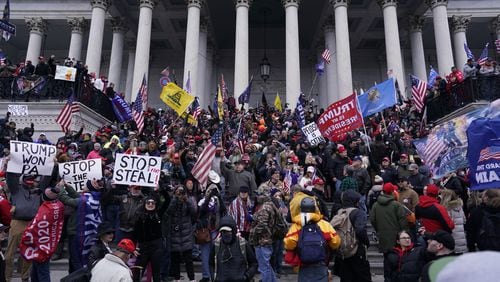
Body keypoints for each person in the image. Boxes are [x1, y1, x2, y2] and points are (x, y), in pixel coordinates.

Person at [4, 172, 50, 282]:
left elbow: (47, 177)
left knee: (28, 253)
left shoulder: (38, 190)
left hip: (32, 223)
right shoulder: (16, 189)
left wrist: (51, 164)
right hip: (17, 222)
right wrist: (11, 163)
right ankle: (6, 278)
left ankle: (24, 277)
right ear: (22, 179)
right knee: (9, 254)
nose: (31, 180)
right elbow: (10, 178)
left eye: (32, 179)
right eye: (28, 178)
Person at [283, 197, 341, 282]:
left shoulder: (296, 226)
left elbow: (289, 243)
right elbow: (336, 242)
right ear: (315, 208)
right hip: (321, 262)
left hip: (303, 263)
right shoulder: (324, 224)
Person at [333, 190, 372, 282]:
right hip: (356, 249)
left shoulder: (340, 212)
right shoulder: (358, 212)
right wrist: (367, 242)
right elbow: (360, 230)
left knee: (346, 277)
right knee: (363, 277)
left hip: (342, 251)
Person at [209, 216, 258, 282]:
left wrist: (246, 277)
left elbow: (254, 264)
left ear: (233, 231)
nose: (225, 234)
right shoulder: (216, 245)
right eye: (223, 232)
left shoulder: (243, 244)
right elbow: (211, 264)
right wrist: (214, 278)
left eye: (228, 232)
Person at [165, 186, 196, 282]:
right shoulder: (172, 200)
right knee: (175, 259)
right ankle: (177, 278)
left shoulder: (188, 200)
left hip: (186, 233)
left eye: (181, 191)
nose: (180, 193)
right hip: (174, 233)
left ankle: (191, 279)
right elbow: (169, 211)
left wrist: (186, 200)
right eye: (178, 191)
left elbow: (194, 212)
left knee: (188, 259)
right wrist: (175, 198)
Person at [249, 193, 281, 282]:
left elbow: (262, 224)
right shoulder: (271, 206)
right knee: (266, 265)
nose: (257, 197)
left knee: (263, 267)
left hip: (263, 240)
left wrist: (253, 232)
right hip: (267, 239)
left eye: (259, 195)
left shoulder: (265, 208)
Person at [370, 182, 408, 253]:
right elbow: (402, 220)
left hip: (382, 235)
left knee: (386, 257)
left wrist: (378, 229)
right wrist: (403, 232)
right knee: (396, 256)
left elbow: (372, 219)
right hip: (395, 237)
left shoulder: (375, 205)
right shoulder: (396, 205)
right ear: (392, 192)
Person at [132, 196, 163, 282]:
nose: (150, 204)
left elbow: (166, 201)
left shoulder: (159, 214)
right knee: (138, 272)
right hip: (143, 247)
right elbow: (134, 234)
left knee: (156, 272)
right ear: (144, 204)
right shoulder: (139, 216)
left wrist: (159, 191)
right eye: (148, 202)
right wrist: (133, 248)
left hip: (156, 247)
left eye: (152, 203)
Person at [439, 189, 467, 253]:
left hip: (453, 237)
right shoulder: (459, 207)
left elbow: (447, 224)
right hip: (462, 236)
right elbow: (464, 220)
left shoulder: (447, 209)